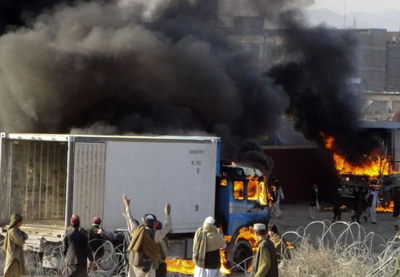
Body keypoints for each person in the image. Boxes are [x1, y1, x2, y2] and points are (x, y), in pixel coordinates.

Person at [122, 194, 172, 277]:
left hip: (135, 264)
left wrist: (127, 206)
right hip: (148, 267)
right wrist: (168, 214)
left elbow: (130, 220)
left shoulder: (136, 231)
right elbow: (168, 227)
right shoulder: (156, 235)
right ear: (154, 224)